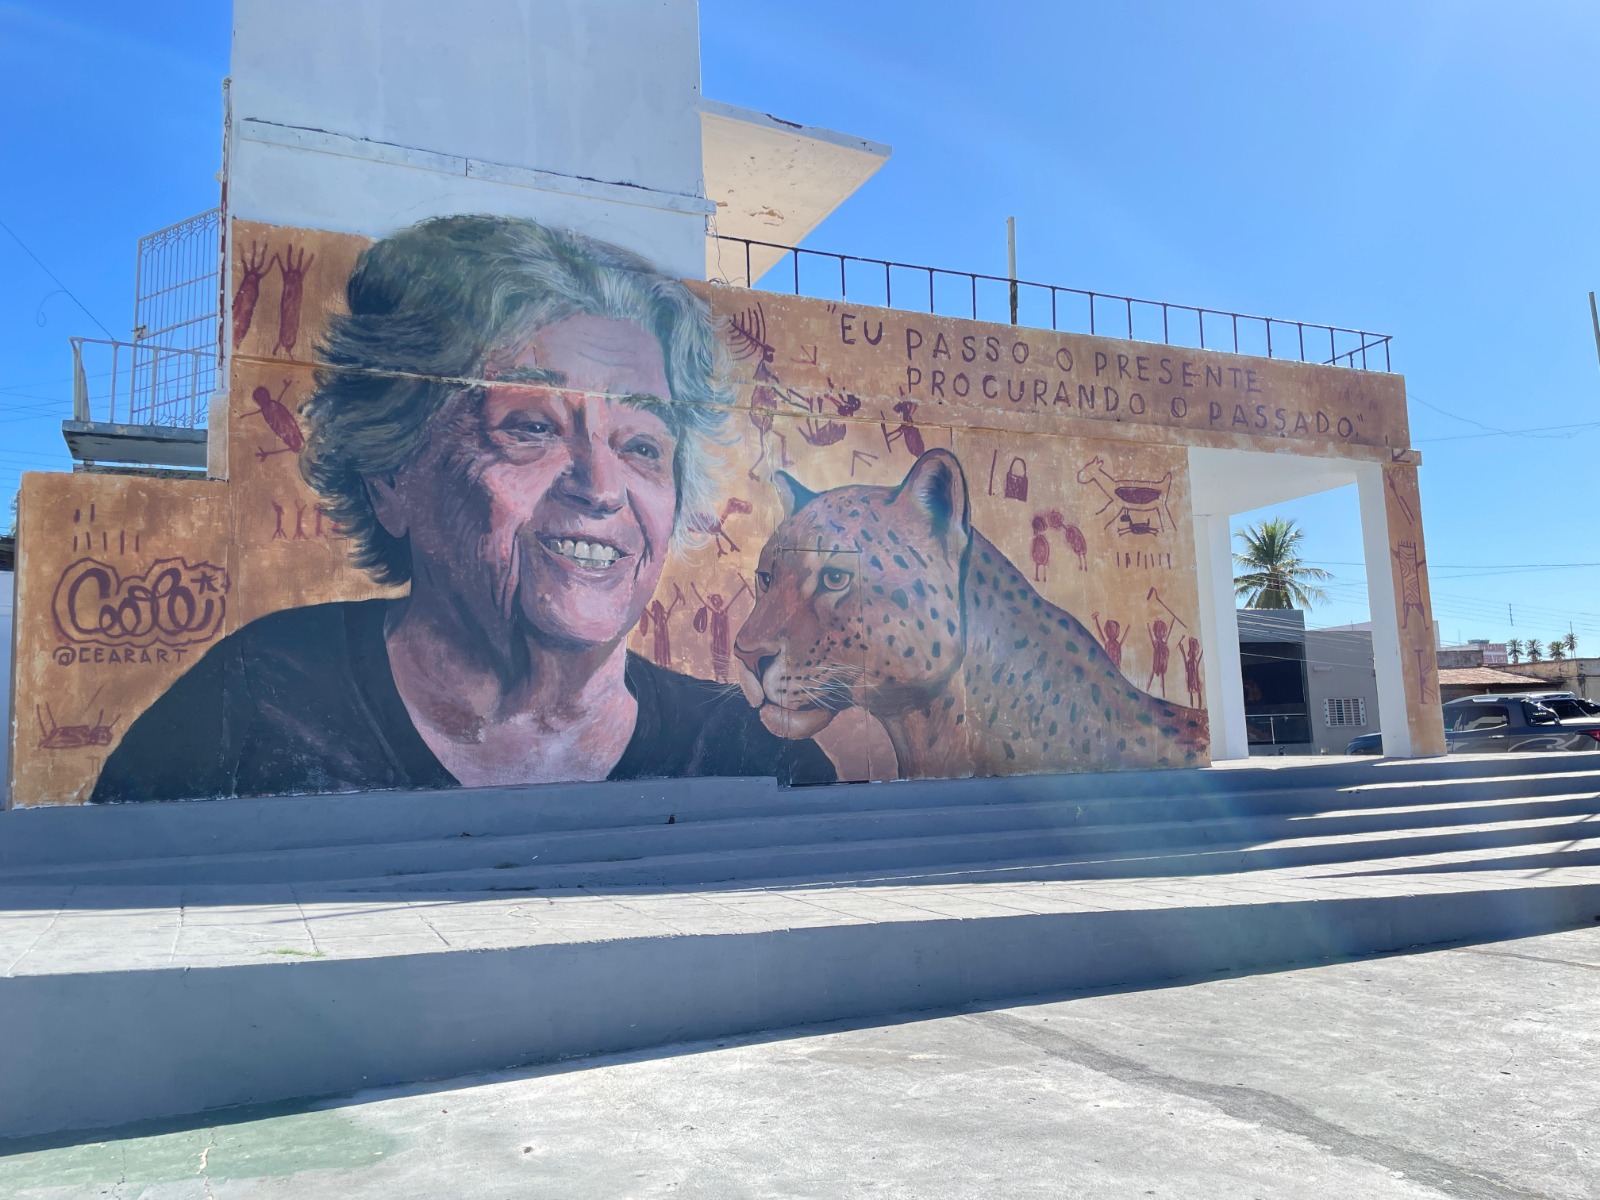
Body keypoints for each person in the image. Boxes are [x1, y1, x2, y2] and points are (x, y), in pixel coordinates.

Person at [93, 215, 835, 801]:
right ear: (391, 475)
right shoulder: (256, 700)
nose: (602, 487)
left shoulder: (748, 750)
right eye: (532, 428)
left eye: (642, 444)